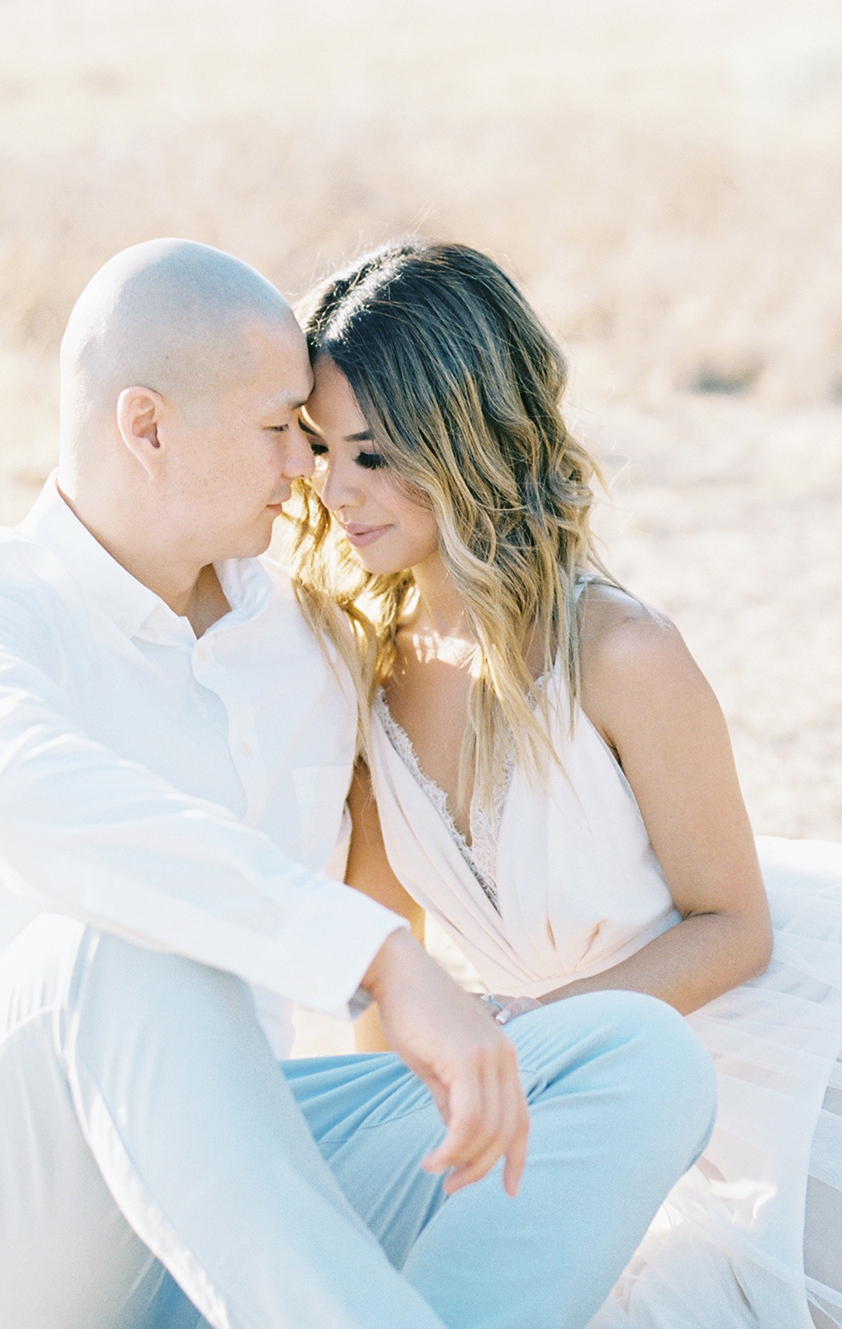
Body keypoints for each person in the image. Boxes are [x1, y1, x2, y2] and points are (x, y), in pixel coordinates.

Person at [0, 238, 716, 1329]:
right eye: (278, 434)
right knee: (116, 948)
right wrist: (377, 960)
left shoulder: (303, 641)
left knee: (638, 1056)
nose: (306, 471)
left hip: (234, 1205)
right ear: (146, 427)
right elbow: (36, 798)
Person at [291, 238, 842, 1329]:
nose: (333, 490)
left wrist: (531, 1040)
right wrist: (422, 1142)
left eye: (370, 454)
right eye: (316, 450)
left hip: (784, 1073)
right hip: (568, 1091)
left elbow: (735, 928)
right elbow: (377, 946)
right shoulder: (360, 664)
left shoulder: (620, 652)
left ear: (463, 438)